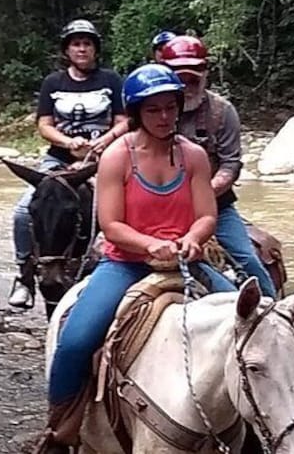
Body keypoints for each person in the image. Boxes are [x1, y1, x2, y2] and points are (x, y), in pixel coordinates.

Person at [38, 63, 237, 453]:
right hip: (126, 263)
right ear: (136, 113)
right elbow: (111, 225)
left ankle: (252, 430)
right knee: (76, 341)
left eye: (170, 108)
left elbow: (208, 214)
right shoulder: (117, 156)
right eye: (154, 110)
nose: (164, 117)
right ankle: (61, 429)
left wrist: (194, 238)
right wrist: (149, 245)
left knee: (252, 322)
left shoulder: (193, 156)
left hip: (186, 261)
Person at [8, 19, 130, 308]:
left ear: (95, 49)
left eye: (87, 44)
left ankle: (122, 268)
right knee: (23, 212)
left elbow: (124, 121)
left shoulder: (111, 80)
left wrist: (105, 140)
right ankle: (25, 275)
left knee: (120, 210)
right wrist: (67, 142)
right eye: (76, 44)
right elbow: (44, 125)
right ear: (67, 50)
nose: (82, 49)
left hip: (103, 160)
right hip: (58, 161)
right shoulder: (54, 82)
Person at [161, 35, 277, 298]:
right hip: (158, 208)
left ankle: (274, 311)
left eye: (193, 77)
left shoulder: (222, 112)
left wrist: (199, 195)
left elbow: (230, 164)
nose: (187, 84)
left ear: (205, 72)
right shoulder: (150, 110)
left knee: (248, 260)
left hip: (217, 207)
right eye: (180, 78)